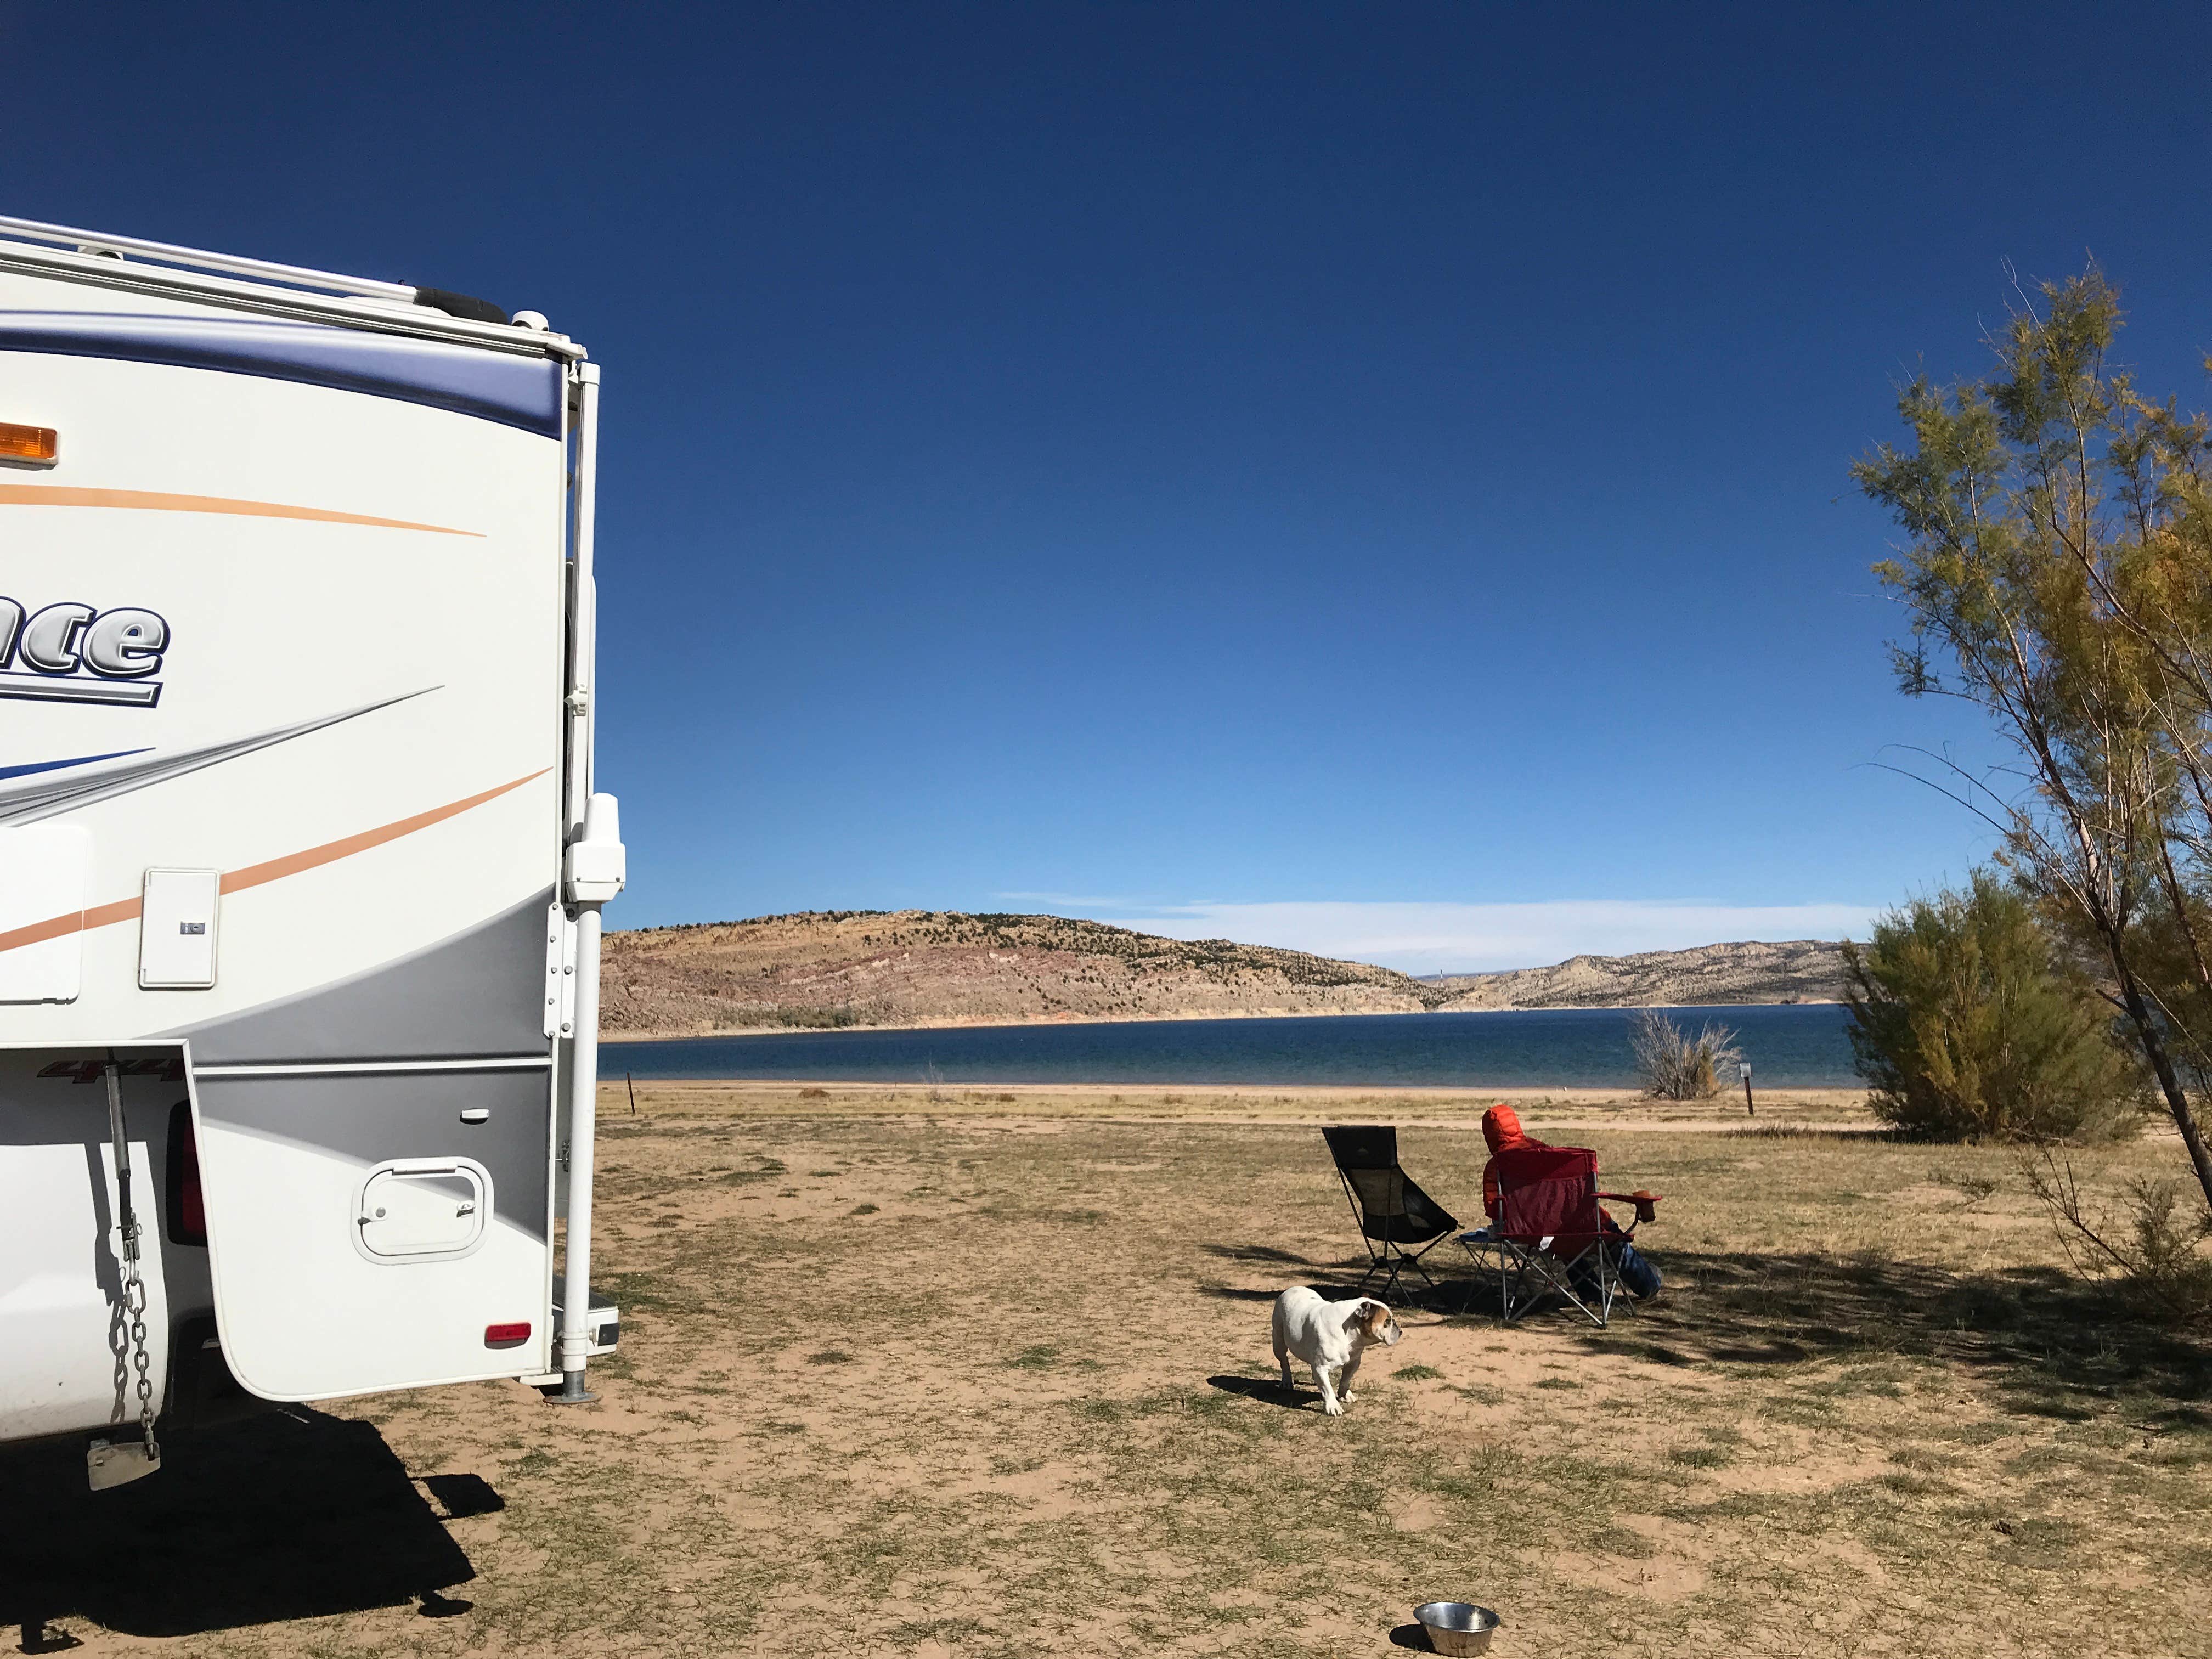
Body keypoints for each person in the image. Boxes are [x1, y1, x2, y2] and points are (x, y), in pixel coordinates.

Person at [1477, 1104, 1662, 1300]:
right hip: (1579, 1225)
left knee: (1565, 1245)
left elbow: (1494, 1209)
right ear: (1516, 1125)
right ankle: (1648, 1284)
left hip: (1536, 1234)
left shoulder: (1496, 1166)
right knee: (1609, 1237)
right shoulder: (1542, 1151)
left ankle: (1591, 1293)